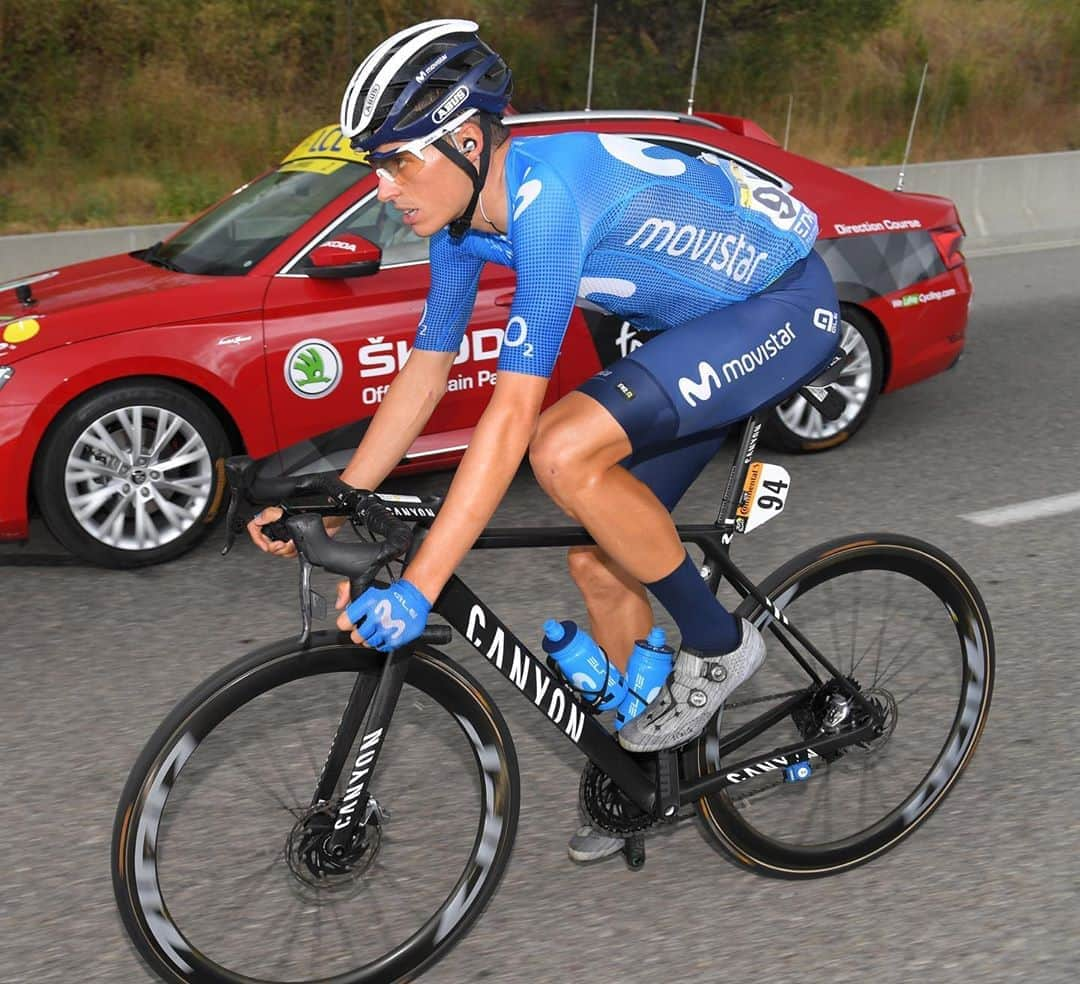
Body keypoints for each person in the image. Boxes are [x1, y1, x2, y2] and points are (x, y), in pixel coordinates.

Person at [249, 18, 841, 863]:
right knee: (600, 558)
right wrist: (341, 501)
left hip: (778, 305)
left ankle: (717, 646)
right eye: (374, 165)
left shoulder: (547, 202)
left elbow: (513, 414)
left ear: (462, 140)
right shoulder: (458, 225)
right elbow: (424, 374)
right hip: (681, 326)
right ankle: (650, 774)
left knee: (562, 451)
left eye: (395, 161)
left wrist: (422, 584)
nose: (382, 187)